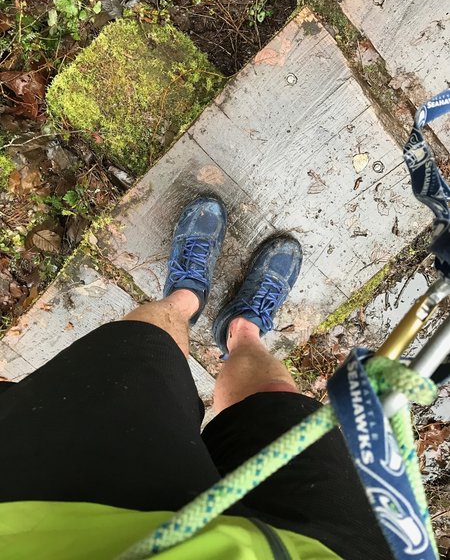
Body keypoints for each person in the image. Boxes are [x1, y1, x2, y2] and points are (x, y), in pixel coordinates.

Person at [0, 197, 392, 559]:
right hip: (329, 548)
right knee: (276, 402)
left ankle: (185, 296)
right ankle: (241, 328)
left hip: (55, 516)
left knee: (144, 352)